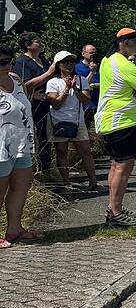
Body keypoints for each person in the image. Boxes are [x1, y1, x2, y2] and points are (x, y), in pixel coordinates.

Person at [95, 28, 136, 227]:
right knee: (123, 166)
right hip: (122, 121)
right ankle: (116, 212)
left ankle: (114, 207)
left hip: (114, 120)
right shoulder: (124, 65)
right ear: (124, 42)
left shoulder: (108, 60)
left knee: (116, 164)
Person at [1, 44, 42, 247]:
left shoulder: (16, 80)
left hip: (20, 142)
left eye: (8, 61)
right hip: (0, 146)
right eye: (1, 62)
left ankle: (14, 229)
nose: (6, 66)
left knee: (21, 185)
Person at [46, 51, 98, 191]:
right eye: (65, 62)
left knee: (86, 152)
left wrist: (75, 88)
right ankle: (66, 183)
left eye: (71, 61)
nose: (69, 64)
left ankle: (93, 182)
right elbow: (56, 104)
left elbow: (87, 101)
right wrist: (66, 88)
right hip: (58, 120)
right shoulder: (53, 82)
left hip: (77, 120)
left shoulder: (82, 80)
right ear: (58, 65)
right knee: (61, 152)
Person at [14, 32, 56, 171]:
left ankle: (46, 168)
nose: (41, 44)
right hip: (32, 106)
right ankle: (34, 169)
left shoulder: (43, 60)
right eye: (37, 42)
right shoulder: (22, 62)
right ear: (28, 45)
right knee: (34, 137)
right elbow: (25, 84)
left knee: (45, 137)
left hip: (46, 104)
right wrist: (48, 73)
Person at [74, 44, 99, 128]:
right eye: (91, 53)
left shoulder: (99, 67)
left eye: (95, 53)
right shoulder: (77, 68)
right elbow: (81, 84)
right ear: (83, 54)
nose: (93, 55)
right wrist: (92, 72)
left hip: (98, 104)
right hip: (85, 106)